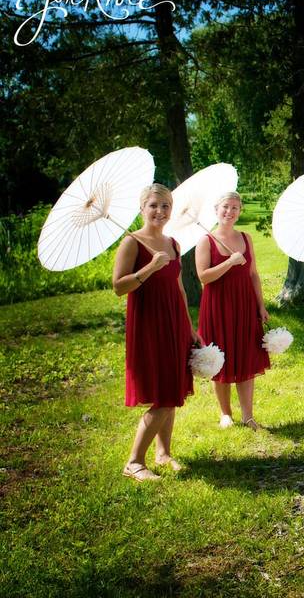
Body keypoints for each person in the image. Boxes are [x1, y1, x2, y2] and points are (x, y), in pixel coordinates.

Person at [113, 183, 200, 482]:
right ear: (142, 208)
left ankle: (163, 453)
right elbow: (118, 287)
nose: (160, 212)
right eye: (154, 206)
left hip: (174, 321)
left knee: (173, 386)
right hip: (149, 324)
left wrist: (189, 326)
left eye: (165, 206)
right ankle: (134, 461)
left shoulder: (173, 244)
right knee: (164, 392)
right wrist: (148, 268)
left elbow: (178, 288)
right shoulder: (131, 243)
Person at [196, 191, 271, 430]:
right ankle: (225, 413)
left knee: (246, 356)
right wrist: (228, 262)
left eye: (235, 208)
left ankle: (248, 415)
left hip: (245, 304)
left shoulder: (246, 238)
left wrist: (260, 305)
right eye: (225, 207)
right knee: (221, 358)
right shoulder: (205, 240)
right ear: (216, 209)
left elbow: (253, 274)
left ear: (240, 211)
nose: (230, 212)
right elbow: (203, 277)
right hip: (218, 306)